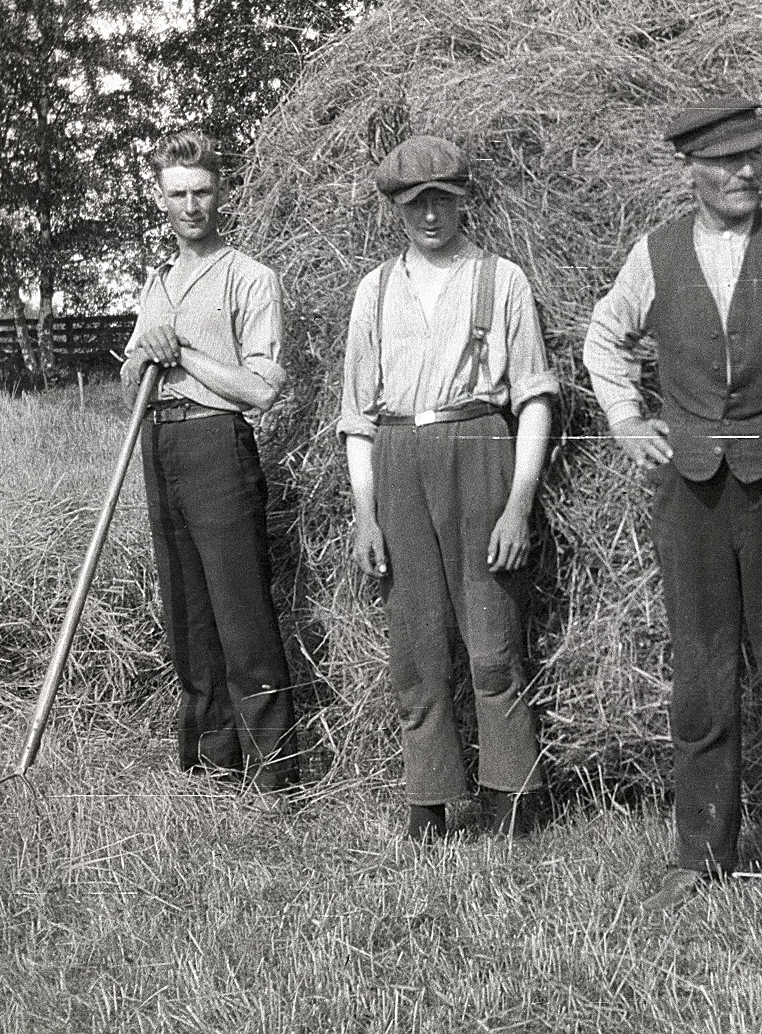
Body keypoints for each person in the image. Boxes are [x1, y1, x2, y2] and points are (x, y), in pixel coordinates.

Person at [584, 96, 762, 911]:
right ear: (693, 173)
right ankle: (701, 853)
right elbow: (603, 338)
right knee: (701, 680)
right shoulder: (656, 254)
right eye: (725, 162)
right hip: (693, 498)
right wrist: (626, 419)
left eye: (754, 157)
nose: (744, 172)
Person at [340, 136, 558, 841]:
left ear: (465, 199)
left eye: (443, 199)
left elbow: (533, 399)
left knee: (492, 639)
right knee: (416, 642)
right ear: (396, 208)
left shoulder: (502, 279)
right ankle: (428, 798)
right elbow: (358, 419)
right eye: (415, 202)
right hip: (399, 454)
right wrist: (365, 514)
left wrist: (519, 501)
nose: (431, 214)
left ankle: (512, 796)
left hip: (479, 447)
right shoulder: (373, 292)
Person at [121, 131, 298, 794]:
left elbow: (261, 387)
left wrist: (184, 353)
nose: (191, 205)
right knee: (188, 616)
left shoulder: (250, 277)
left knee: (240, 613)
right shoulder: (156, 281)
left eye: (201, 191)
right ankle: (211, 769)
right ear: (160, 199)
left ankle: (277, 774)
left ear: (220, 194)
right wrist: (146, 354)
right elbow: (128, 379)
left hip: (217, 443)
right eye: (177, 194)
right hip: (158, 442)